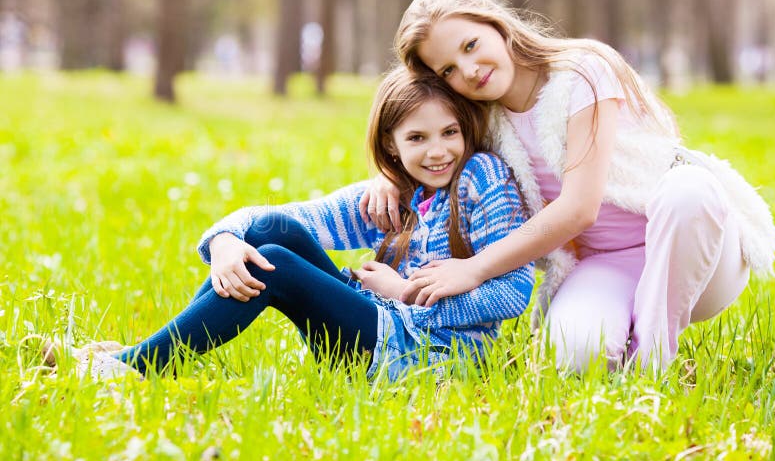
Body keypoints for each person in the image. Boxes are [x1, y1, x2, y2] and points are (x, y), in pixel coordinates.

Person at [360, 0, 775, 372]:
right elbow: (435, 154)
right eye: (448, 70)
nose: (468, 70)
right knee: (577, 353)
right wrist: (392, 176)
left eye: (471, 45)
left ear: (495, 23)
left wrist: (475, 269)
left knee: (688, 190)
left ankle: (652, 360)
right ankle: (629, 333)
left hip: (696, 250)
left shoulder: (580, 72)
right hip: (607, 263)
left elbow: (579, 208)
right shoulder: (483, 121)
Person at [64, 67, 534, 382]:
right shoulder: (396, 192)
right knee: (271, 231)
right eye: (417, 137)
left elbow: (514, 292)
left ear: (465, 129)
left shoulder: (483, 179)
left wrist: (407, 293)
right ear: (391, 147)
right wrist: (226, 241)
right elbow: (289, 219)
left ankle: (129, 366)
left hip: (429, 356)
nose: (438, 151)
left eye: (449, 132)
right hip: (376, 327)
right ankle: (142, 356)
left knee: (275, 265)